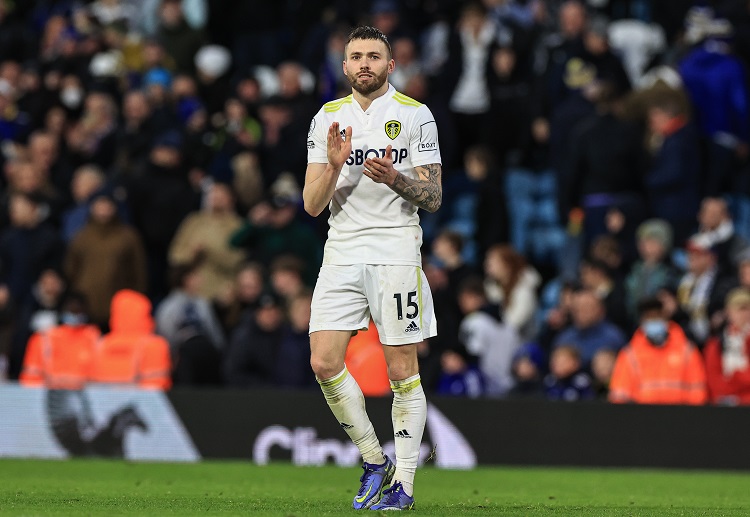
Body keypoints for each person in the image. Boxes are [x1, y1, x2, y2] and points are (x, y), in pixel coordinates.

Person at [303, 26, 442, 511]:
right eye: (356, 56)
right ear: (344, 67)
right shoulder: (327, 119)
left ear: (391, 65)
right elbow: (311, 205)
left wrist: (397, 179)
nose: (365, 63)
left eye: (374, 56)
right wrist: (337, 165)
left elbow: (434, 195)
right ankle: (372, 458)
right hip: (341, 247)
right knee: (323, 361)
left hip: (396, 248)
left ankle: (403, 482)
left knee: (402, 368)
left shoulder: (415, 116)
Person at [609, 298, 707, 405]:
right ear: (642, 321)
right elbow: (619, 395)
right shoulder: (630, 354)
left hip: (680, 417)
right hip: (642, 417)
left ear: (665, 317)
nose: (653, 321)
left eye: (657, 316)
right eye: (649, 317)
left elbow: (698, 391)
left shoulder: (686, 350)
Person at [89, 289, 172, 390]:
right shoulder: (154, 345)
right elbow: (157, 387)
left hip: (101, 404)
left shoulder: (100, 344)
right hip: (140, 404)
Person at [19, 292, 100, 390]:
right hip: (48, 399)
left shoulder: (94, 338)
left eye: (78, 310)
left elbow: (103, 379)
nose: (74, 313)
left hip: (88, 399)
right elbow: (29, 379)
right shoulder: (43, 339)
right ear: (62, 311)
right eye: (71, 310)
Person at [704, 288, 750, 405]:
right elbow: (715, 386)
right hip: (727, 411)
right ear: (729, 312)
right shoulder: (717, 343)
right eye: (741, 309)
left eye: (749, 309)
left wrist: (734, 376)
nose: (746, 314)